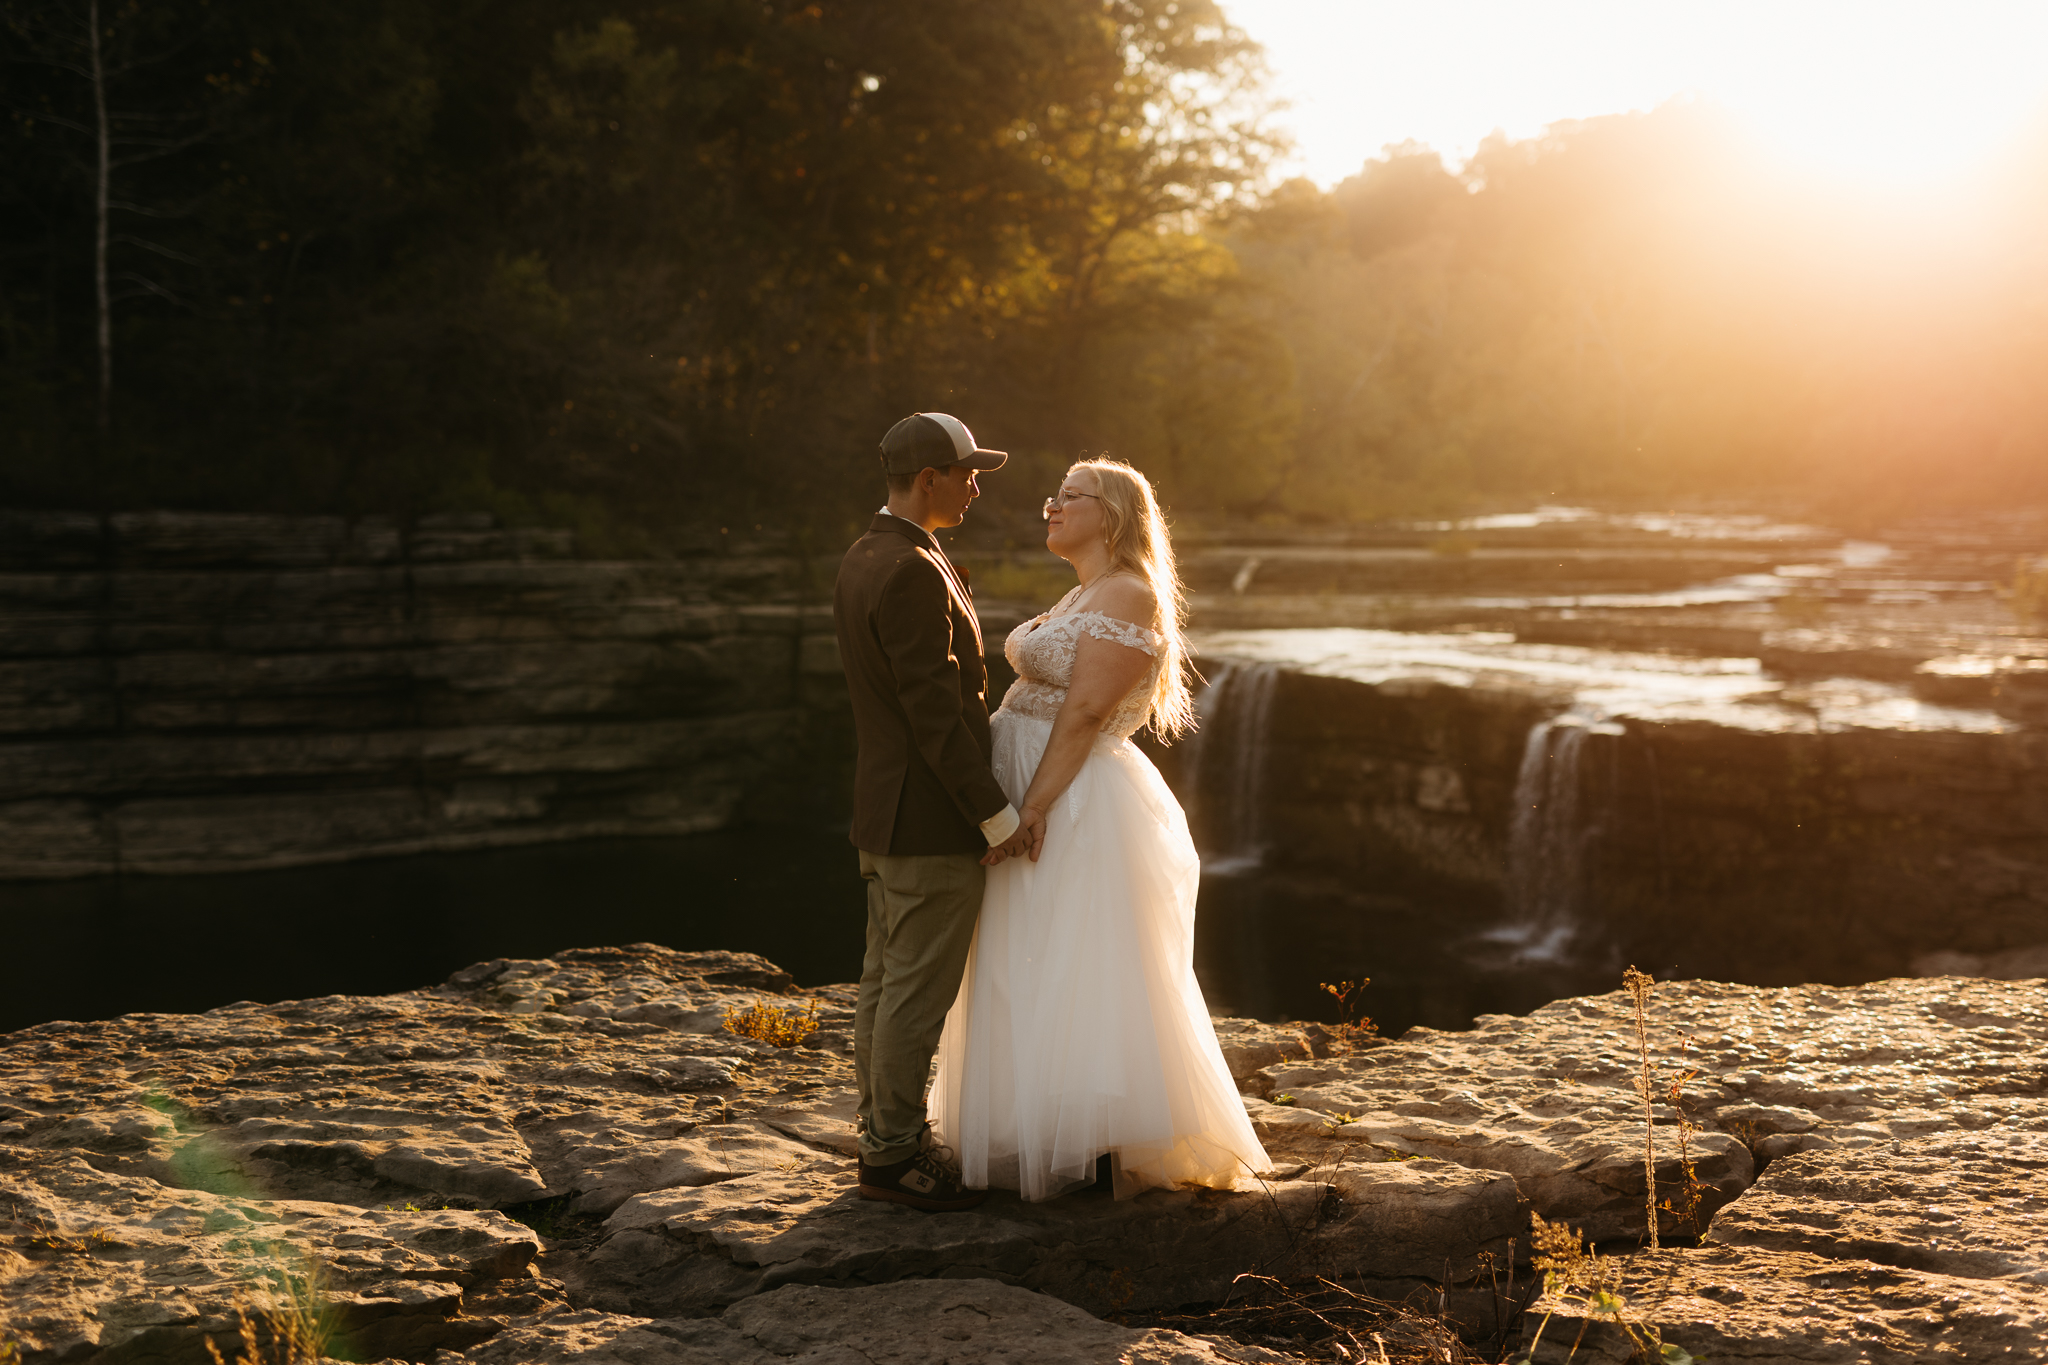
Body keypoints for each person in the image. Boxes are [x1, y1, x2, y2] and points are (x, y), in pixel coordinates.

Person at [928, 458, 1272, 1200]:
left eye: (1070, 496)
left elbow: (1084, 713)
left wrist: (1032, 810)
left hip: (1074, 797)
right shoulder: (1084, 590)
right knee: (1026, 950)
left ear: (1111, 514)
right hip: (1032, 784)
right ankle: (1038, 1126)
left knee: (1078, 954)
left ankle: (1098, 1142)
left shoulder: (1130, 593)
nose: (1051, 505)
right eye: (1055, 495)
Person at [832, 411, 1037, 1212]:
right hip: (927, 824)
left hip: (883, 815)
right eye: (966, 471)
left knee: (883, 986)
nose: (976, 483)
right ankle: (892, 1156)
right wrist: (996, 816)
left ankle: (882, 1137)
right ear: (929, 480)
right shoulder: (913, 567)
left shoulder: (867, 552)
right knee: (912, 998)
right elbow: (933, 714)